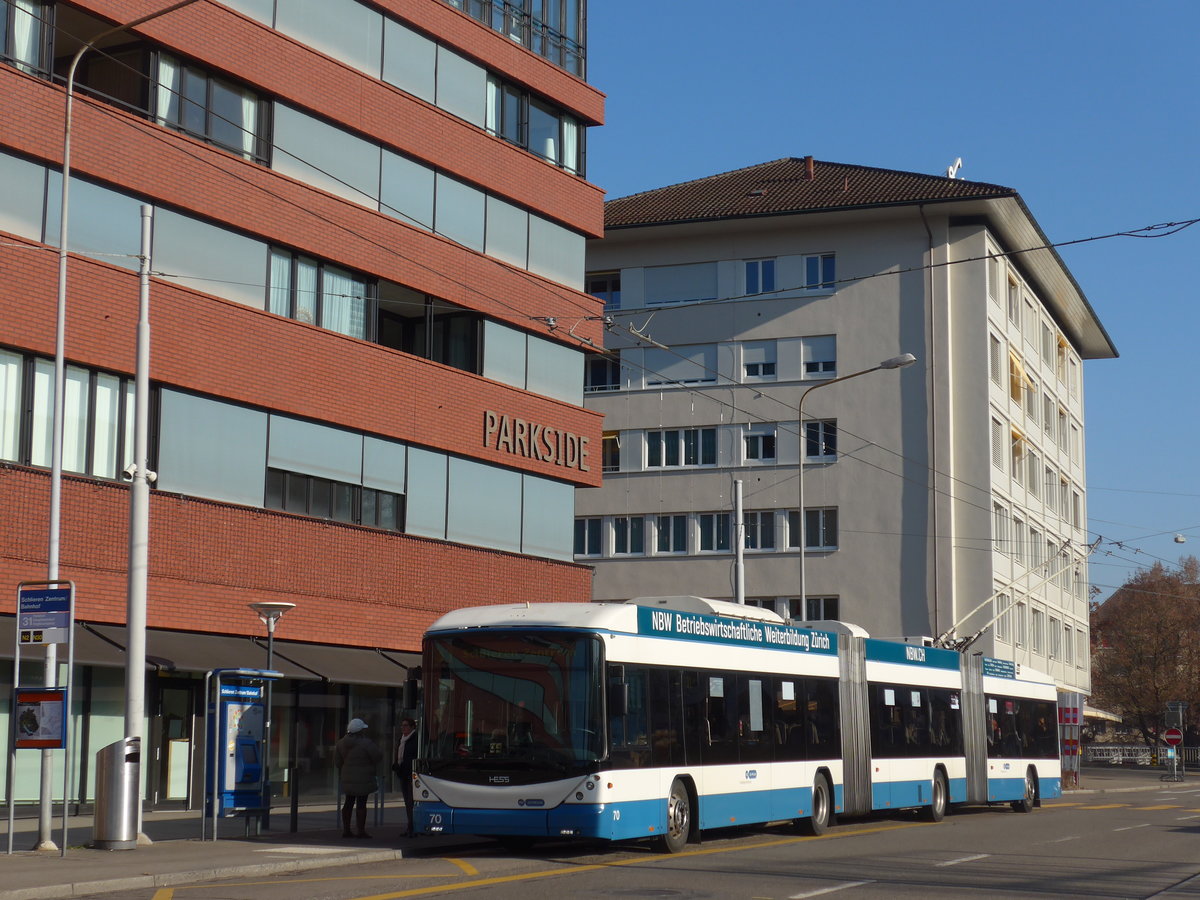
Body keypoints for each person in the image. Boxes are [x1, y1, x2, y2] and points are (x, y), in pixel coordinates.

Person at [334, 718, 382, 839]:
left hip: (347, 778)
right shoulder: (366, 743)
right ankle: (360, 831)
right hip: (364, 778)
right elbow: (377, 757)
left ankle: (346, 830)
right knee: (361, 804)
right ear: (360, 731)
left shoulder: (340, 743)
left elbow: (337, 763)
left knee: (348, 803)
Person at [393, 717, 418, 837]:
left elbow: (412, 757)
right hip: (403, 773)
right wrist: (396, 765)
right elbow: (398, 755)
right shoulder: (402, 739)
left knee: (411, 801)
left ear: (412, 727)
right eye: (402, 725)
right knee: (407, 802)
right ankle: (410, 826)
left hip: (411, 774)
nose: (403, 727)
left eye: (406, 725)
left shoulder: (415, 739)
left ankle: (413, 827)